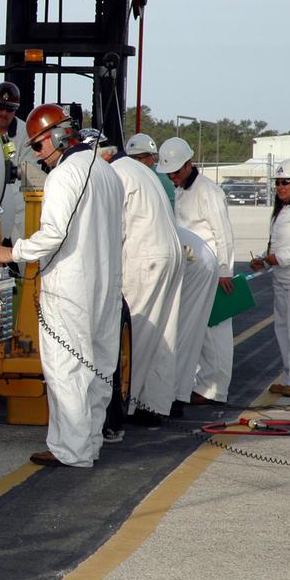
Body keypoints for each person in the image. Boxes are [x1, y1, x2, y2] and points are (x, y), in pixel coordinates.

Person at [0, 105, 123, 467]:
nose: (40, 156)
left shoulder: (64, 176)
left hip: (71, 287)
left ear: (58, 136)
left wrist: (10, 252)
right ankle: (88, 443)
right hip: (105, 285)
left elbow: (53, 236)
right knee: (99, 368)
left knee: (67, 368)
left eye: (40, 146)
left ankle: (72, 451)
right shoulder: (106, 173)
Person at [94, 135, 184, 424]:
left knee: (137, 331)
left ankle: (126, 406)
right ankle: (156, 404)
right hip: (169, 253)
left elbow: (113, 228)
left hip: (146, 257)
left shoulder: (115, 174)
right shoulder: (139, 170)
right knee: (163, 332)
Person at [158, 136, 236, 405]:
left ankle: (215, 390)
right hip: (193, 270)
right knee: (198, 332)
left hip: (212, 270)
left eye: (177, 171)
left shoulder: (208, 191)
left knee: (215, 332)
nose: (173, 177)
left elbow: (223, 233)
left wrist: (225, 270)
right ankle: (202, 385)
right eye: (169, 173)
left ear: (190, 164)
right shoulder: (182, 190)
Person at [249, 159, 290, 398]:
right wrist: (263, 260)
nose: (281, 187)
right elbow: (279, 245)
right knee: (283, 330)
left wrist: (278, 258)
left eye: (286, 182)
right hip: (281, 278)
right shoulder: (283, 211)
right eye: (278, 183)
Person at [172, 226, 220, 413]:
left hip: (193, 262)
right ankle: (177, 396)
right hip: (198, 258)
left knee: (176, 335)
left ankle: (170, 399)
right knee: (188, 335)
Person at [0, 82, 33, 241]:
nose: (3, 113)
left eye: (10, 109)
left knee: (23, 259)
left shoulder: (25, 134)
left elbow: (30, 171)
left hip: (18, 208)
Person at [124, 132, 175, 210]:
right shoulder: (130, 176)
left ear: (151, 157)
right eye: (130, 158)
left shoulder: (160, 179)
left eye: (137, 158)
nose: (132, 162)